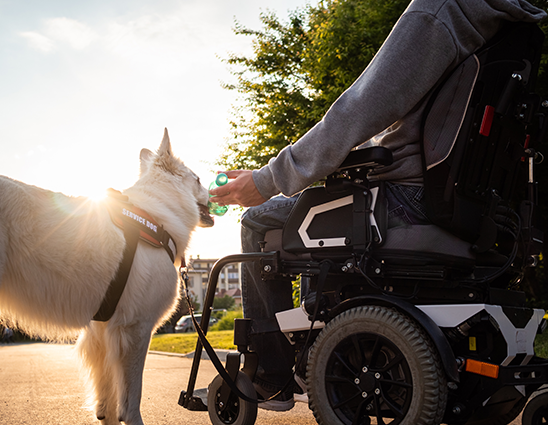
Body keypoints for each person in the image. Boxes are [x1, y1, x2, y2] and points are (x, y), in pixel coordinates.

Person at [209, 0, 547, 411]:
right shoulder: (513, 24)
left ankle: (271, 376)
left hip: (406, 199)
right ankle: (320, 343)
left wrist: (269, 179)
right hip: (477, 209)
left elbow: (362, 106)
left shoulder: (440, 12)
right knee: (318, 213)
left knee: (258, 222)